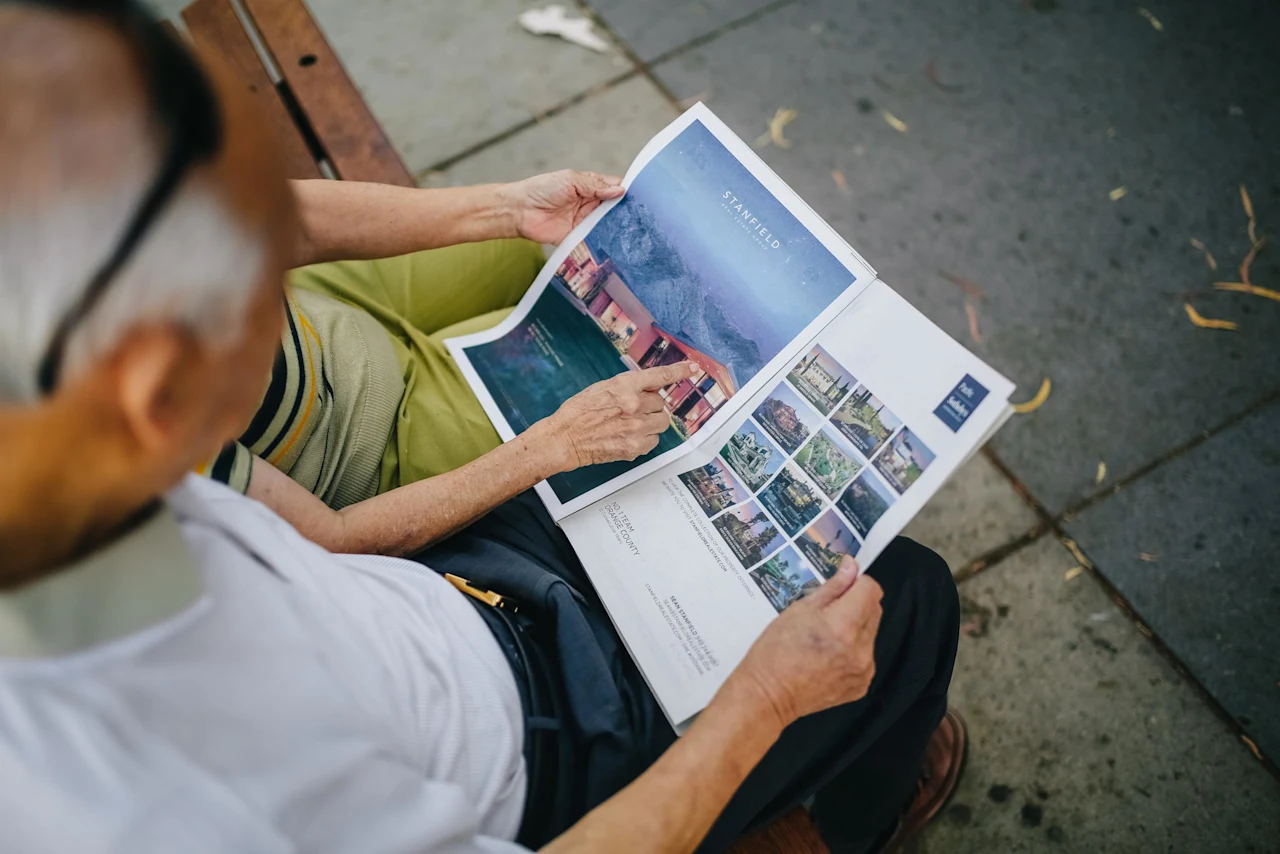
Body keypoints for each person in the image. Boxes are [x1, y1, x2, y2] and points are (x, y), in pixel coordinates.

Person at [0, 2, 965, 852]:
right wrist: (767, 699)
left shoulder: (66, 453)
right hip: (553, 746)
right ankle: (857, 823)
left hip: (450, 593)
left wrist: (503, 208)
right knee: (910, 596)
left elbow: (273, 225)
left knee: (619, 318)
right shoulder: (143, 802)